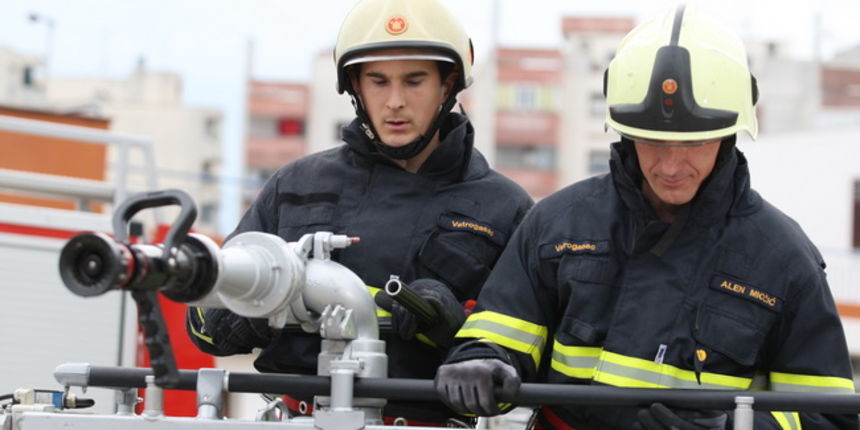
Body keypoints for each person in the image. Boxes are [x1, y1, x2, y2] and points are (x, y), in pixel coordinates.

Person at [435, 5, 857, 430]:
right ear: (624, 130)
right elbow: (499, 335)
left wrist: (734, 427)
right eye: (653, 141)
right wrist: (481, 360)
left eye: (692, 143)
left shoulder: (783, 259)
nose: (671, 166)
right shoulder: (557, 226)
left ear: (729, 133)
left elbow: (829, 418)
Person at [185, 0, 533, 426]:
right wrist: (263, 306)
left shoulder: (504, 207)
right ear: (355, 85)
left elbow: (525, 350)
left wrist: (453, 325)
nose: (394, 102)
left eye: (414, 81)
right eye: (378, 81)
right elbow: (205, 326)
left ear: (449, 85)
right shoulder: (296, 185)